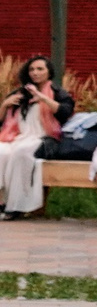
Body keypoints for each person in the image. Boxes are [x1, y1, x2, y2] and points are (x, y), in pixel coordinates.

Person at [0, 57, 64, 219]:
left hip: (44, 138)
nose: (35, 73)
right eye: (32, 69)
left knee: (21, 153)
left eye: (40, 69)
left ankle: (16, 205)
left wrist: (42, 98)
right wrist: (4, 105)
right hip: (16, 136)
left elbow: (64, 112)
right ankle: (2, 201)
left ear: (49, 72)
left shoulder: (58, 93)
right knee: (1, 152)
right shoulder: (20, 93)